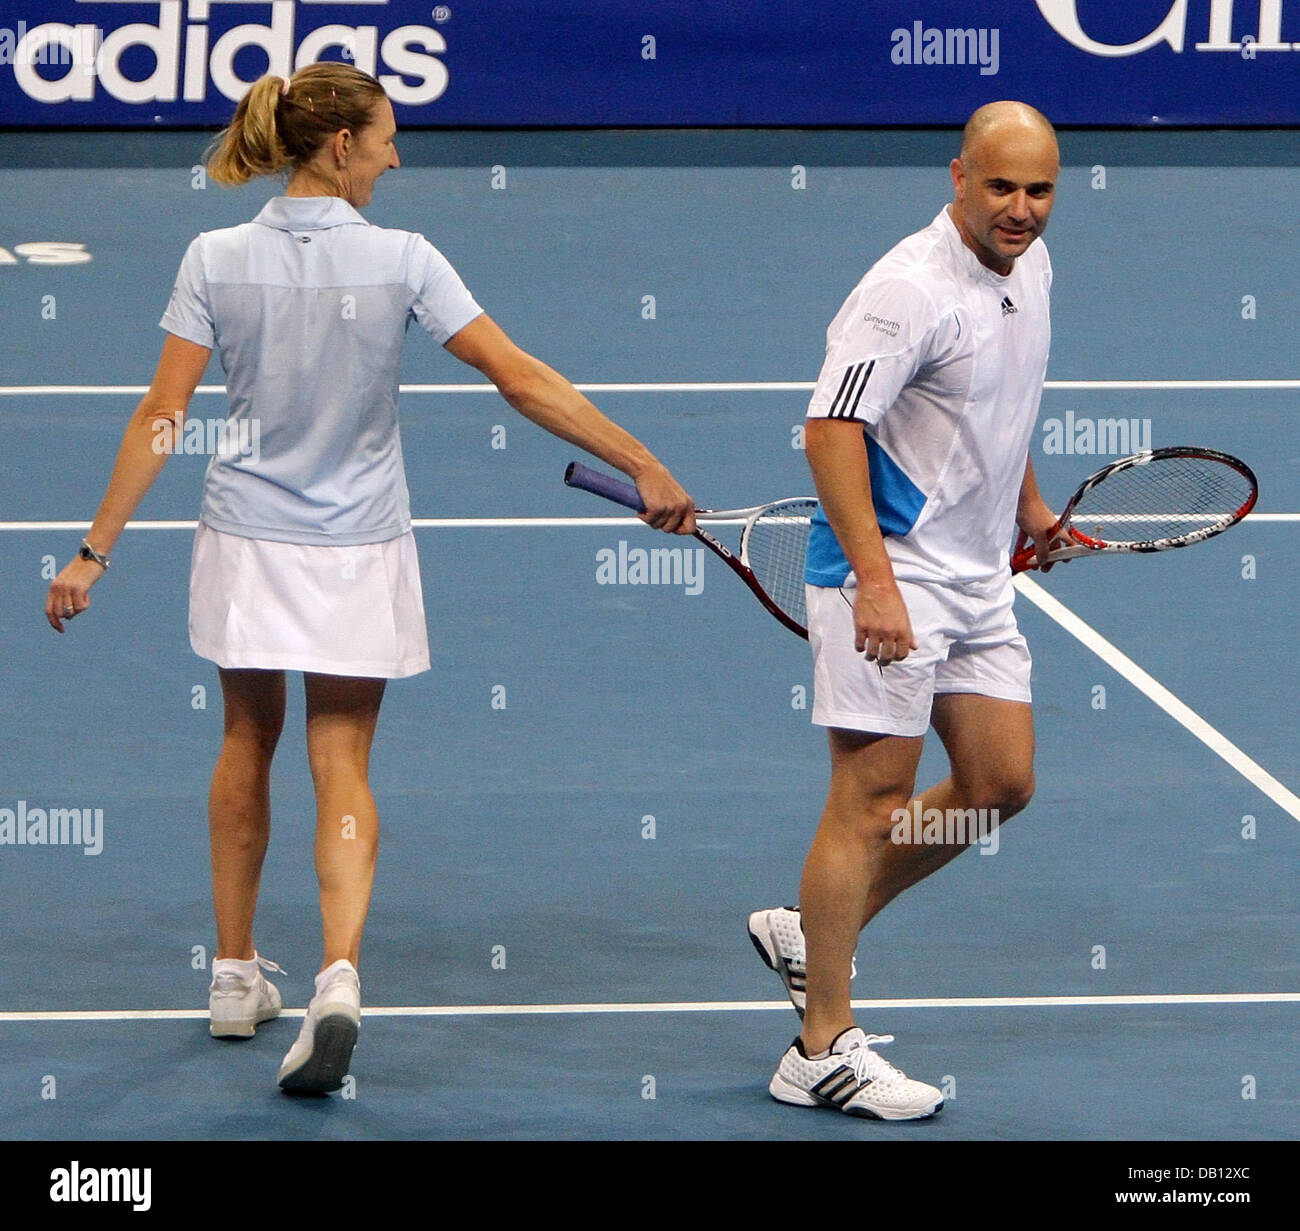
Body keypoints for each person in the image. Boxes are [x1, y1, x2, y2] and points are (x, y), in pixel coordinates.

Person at [44, 62, 696, 1095]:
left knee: (243, 740)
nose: (398, 156)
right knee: (340, 761)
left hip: (245, 542)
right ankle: (337, 976)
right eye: (388, 138)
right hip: (358, 547)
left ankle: (228, 975)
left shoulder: (215, 255)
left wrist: (94, 549)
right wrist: (642, 461)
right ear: (340, 146)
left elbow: (160, 413)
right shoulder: (404, 259)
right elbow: (518, 376)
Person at [747, 101, 1065, 1120]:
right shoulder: (906, 291)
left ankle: (816, 928)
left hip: (974, 577)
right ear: (958, 176)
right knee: (871, 797)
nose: (1020, 209)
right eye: (1001, 187)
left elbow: (999, 406)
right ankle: (820, 1044)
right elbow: (830, 430)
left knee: (998, 779)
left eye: (1039, 190)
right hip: (883, 577)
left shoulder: (1030, 269)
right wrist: (878, 584)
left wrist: (1027, 506)